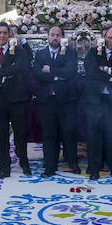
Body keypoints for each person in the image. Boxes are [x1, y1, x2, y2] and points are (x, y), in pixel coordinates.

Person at [0, 22, 34, 178]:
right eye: (0, 33)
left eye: (5, 33)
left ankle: (24, 162)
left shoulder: (18, 51)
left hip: (17, 98)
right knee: (2, 135)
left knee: (20, 133)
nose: (2, 35)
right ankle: (4, 167)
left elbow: (22, 68)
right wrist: (4, 75)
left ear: (9, 34)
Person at [82, 28, 112, 180]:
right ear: (104, 37)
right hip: (95, 100)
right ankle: (94, 167)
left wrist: (106, 70)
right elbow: (91, 72)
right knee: (94, 135)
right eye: (109, 38)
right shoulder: (94, 53)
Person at [34, 26, 81, 177]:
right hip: (47, 100)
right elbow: (38, 74)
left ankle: (73, 163)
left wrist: (51, 70)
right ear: (47, 37)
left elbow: (71, 72)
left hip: (67, 100)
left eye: (58, 35)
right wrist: (59, 75)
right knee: (49, 135)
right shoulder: (40, 54)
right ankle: (50, 166)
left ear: (63, 37)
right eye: (52, 35)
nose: (55, 38)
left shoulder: (71, 53)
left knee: (69, 133)